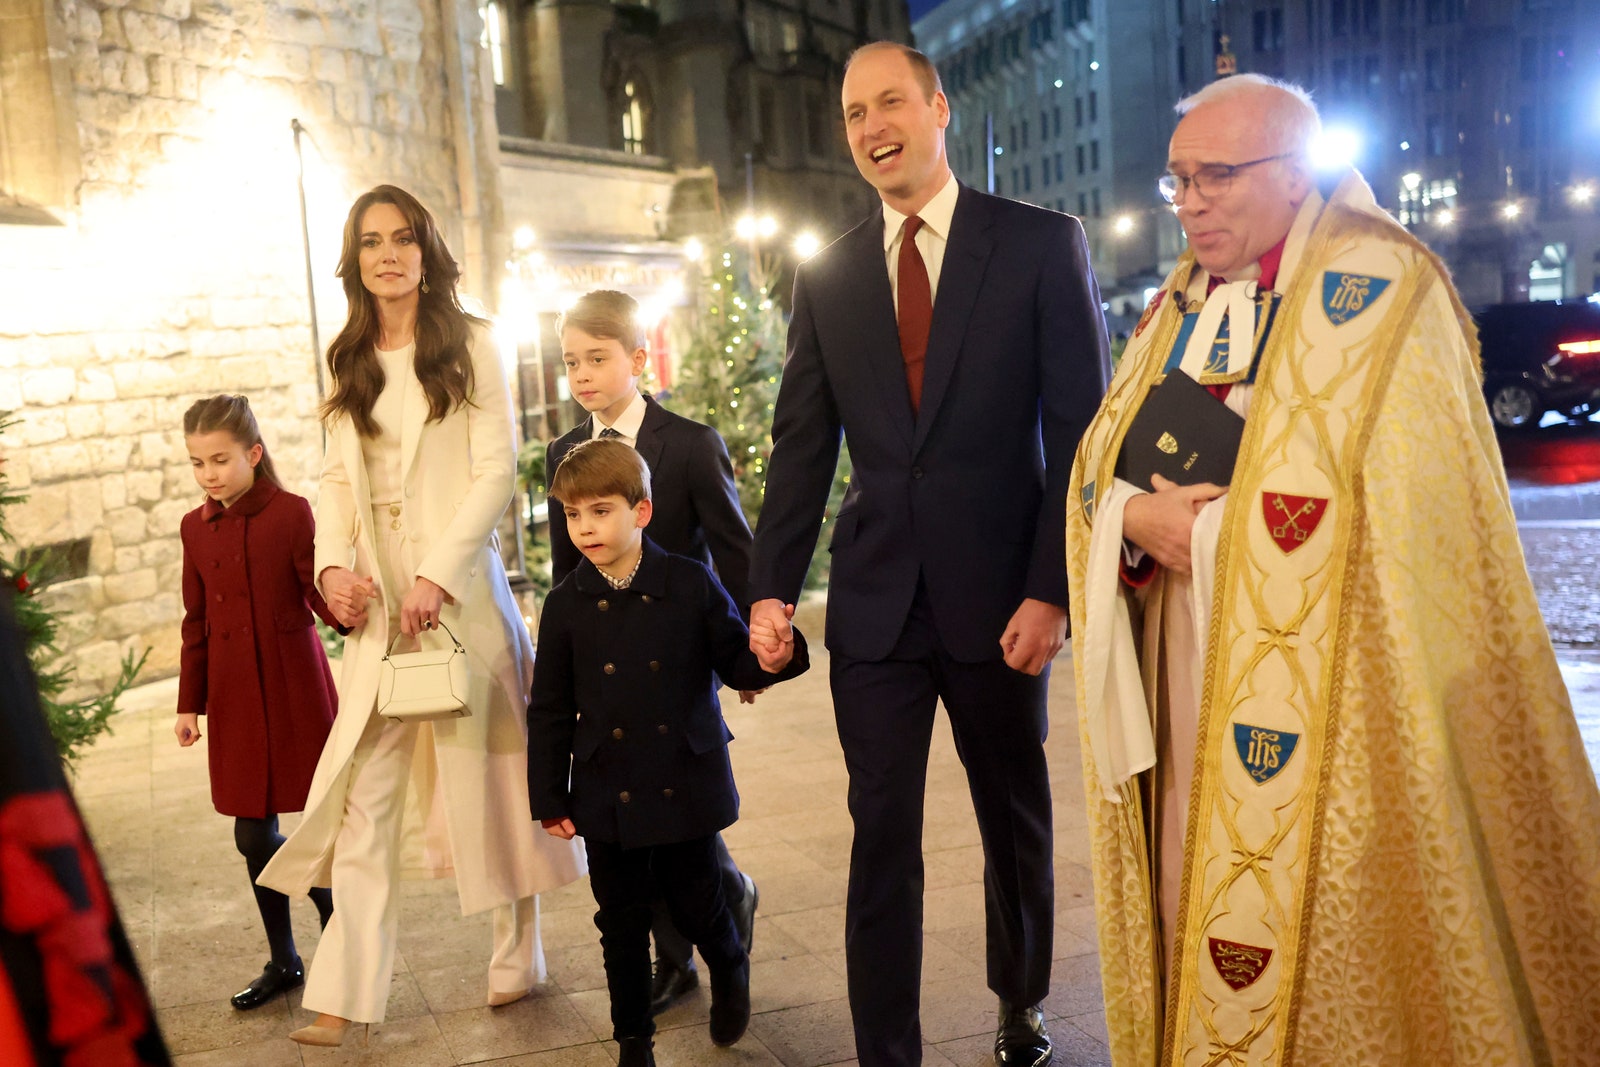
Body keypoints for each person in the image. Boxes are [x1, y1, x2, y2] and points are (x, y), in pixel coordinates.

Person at [1065, 74, 1600, 1064]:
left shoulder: (1387, 288)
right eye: (1177, 178)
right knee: (1195, 879)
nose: (1189, 201)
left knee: (1335, 916)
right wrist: (1133, 518)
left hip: (1346, 704)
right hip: (1184, 666)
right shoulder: (1179, 302)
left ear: (1296, 168)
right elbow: (1099, 468)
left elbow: (1409, 515)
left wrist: (1218, 537)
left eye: (1216, 174)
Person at [747, 41, 1110, 1067]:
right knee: (880, 840)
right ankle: (887, 1049)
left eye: (890, 102)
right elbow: (801, 443)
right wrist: (770, 588)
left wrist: (1052, 591)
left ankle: (1020, 998)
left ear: (937, 107)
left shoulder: (1040, 246)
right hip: (876, 608)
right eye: (854, 112)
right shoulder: (828, 273)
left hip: (1002, 603)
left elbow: (1080, 431)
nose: (872, 127)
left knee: (1013, 818)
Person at [257, 184, 586, 1047]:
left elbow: (494, 468)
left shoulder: (472, 342)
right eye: (371, 242)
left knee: (491, 783)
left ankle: (521, 944)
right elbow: (335, 477)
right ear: (354, 258)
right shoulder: (349, 355)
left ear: (425, 250)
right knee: (367, 793)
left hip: (459, 594)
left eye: (402, 239)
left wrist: (438, 574)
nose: (388, 254)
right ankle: (342, 990)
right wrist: (333, 566)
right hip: (376, 602)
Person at [527, 440, 809, 1067]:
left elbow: (735, 660)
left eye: (601, 511)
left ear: (643, 512)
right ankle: (634, 1042)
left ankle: (730, 962)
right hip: (607, 782)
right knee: (620, 923)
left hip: (683, 771)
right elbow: (547, 708)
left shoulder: (686, 580)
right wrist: (549, 795)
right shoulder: (565, 604)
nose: (585, 528)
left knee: (696, 902)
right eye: (574, 515)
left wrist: (773, 655)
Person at [545, 289, 759, 1015]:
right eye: (570, 360)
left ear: (638, 360)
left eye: (597, 358)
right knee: (636, 828)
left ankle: (719, 915)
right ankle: (681, 959)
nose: (581, 374)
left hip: (680, 657)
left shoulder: (689, 443)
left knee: (682, 824)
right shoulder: (562, 454)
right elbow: (563, 572)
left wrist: (752, 639)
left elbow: (731, 547)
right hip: (609, 671)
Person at [176, 394, 340, 1011]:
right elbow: (195, 619)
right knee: (252, 834)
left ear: (253, 453)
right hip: (237, 694)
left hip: (297, 685)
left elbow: (317, 591)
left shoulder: (293, 514)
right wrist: (188, 704)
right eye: (197, 463)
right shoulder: (194, 528)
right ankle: (285, 959)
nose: (209, 474)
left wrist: (353, 611)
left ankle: (342, 942)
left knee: (319, 822)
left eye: (219, 459)